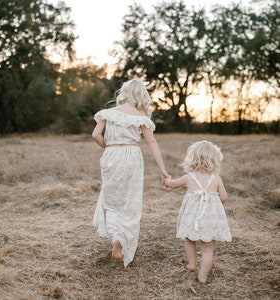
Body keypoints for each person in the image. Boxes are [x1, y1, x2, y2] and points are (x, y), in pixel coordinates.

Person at [92, 78, 169, 267]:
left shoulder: (107, 113)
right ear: (141, 95)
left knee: (111, 198)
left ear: (123, 93)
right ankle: (121, 238)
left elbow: (95, 135)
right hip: (131, 156)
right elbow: (152, 143)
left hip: (111, 154)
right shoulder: (141, 117)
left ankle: (116, 237)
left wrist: (109, 148)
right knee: (129, 201)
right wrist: (163, 169)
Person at [164, 140, 232, 284]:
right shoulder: (217, 178)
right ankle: (203, 276)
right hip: (210, 218)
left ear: (192, 158)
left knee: (189, 239)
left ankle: (192, 263)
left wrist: (167, 180)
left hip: (192, 217)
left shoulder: (189, 177)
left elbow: (174, 184)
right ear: (214, 159)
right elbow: (224, 198)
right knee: (208, 249)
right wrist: (215, 203)